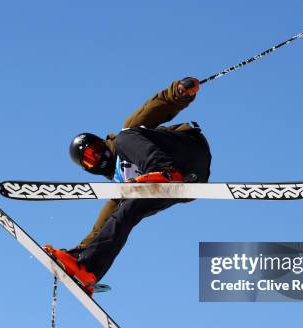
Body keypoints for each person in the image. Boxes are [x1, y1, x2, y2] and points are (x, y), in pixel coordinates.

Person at [44, 77, 212, 294]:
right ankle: (88, 269)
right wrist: (79, 254)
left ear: (102, 142)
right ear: (88, 168)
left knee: (126, 135)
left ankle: (165, 172)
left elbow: (157, 107)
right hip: (190, 180)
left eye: (96, 150)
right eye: (89, 159)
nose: (97, 158)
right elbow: (101, 228)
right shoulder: (120, 189)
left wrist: (180, 92)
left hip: (186, 151)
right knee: (126, 212)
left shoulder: (124, 140)